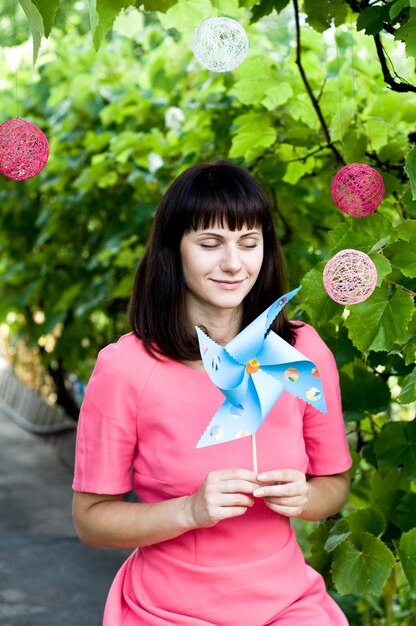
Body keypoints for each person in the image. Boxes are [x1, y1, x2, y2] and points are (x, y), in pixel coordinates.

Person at [72, 160, 352, 626]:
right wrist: (190, 510)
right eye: (209, 243)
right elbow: (90, 519)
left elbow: (334, 484)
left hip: (287, 604)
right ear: (173, 250)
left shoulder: (302, 350)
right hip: (167, 609)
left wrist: (305, 497)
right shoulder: (126, 368)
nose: (233, 264)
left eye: (248, 243)